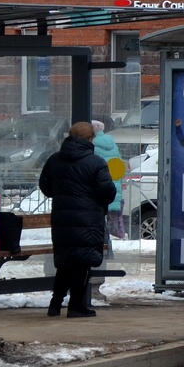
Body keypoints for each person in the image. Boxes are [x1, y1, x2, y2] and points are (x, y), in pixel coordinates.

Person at [38, 122, 116, 318]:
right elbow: (107, 192)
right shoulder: (96, 162)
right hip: (88, 220)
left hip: (63, 220)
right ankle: (75, 306)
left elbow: (46, 187)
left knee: (65, 261)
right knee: (82, 263)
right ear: (91, 139)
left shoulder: (54, 160)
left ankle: (55, 304)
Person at [91, 119, 127, 241]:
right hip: (112, 186)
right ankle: (108, 249)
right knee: (106, 222)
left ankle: (104, 249)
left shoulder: (93, 146)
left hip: (98, 189)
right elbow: (120, 165)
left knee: (97, 223)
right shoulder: (112, 144)